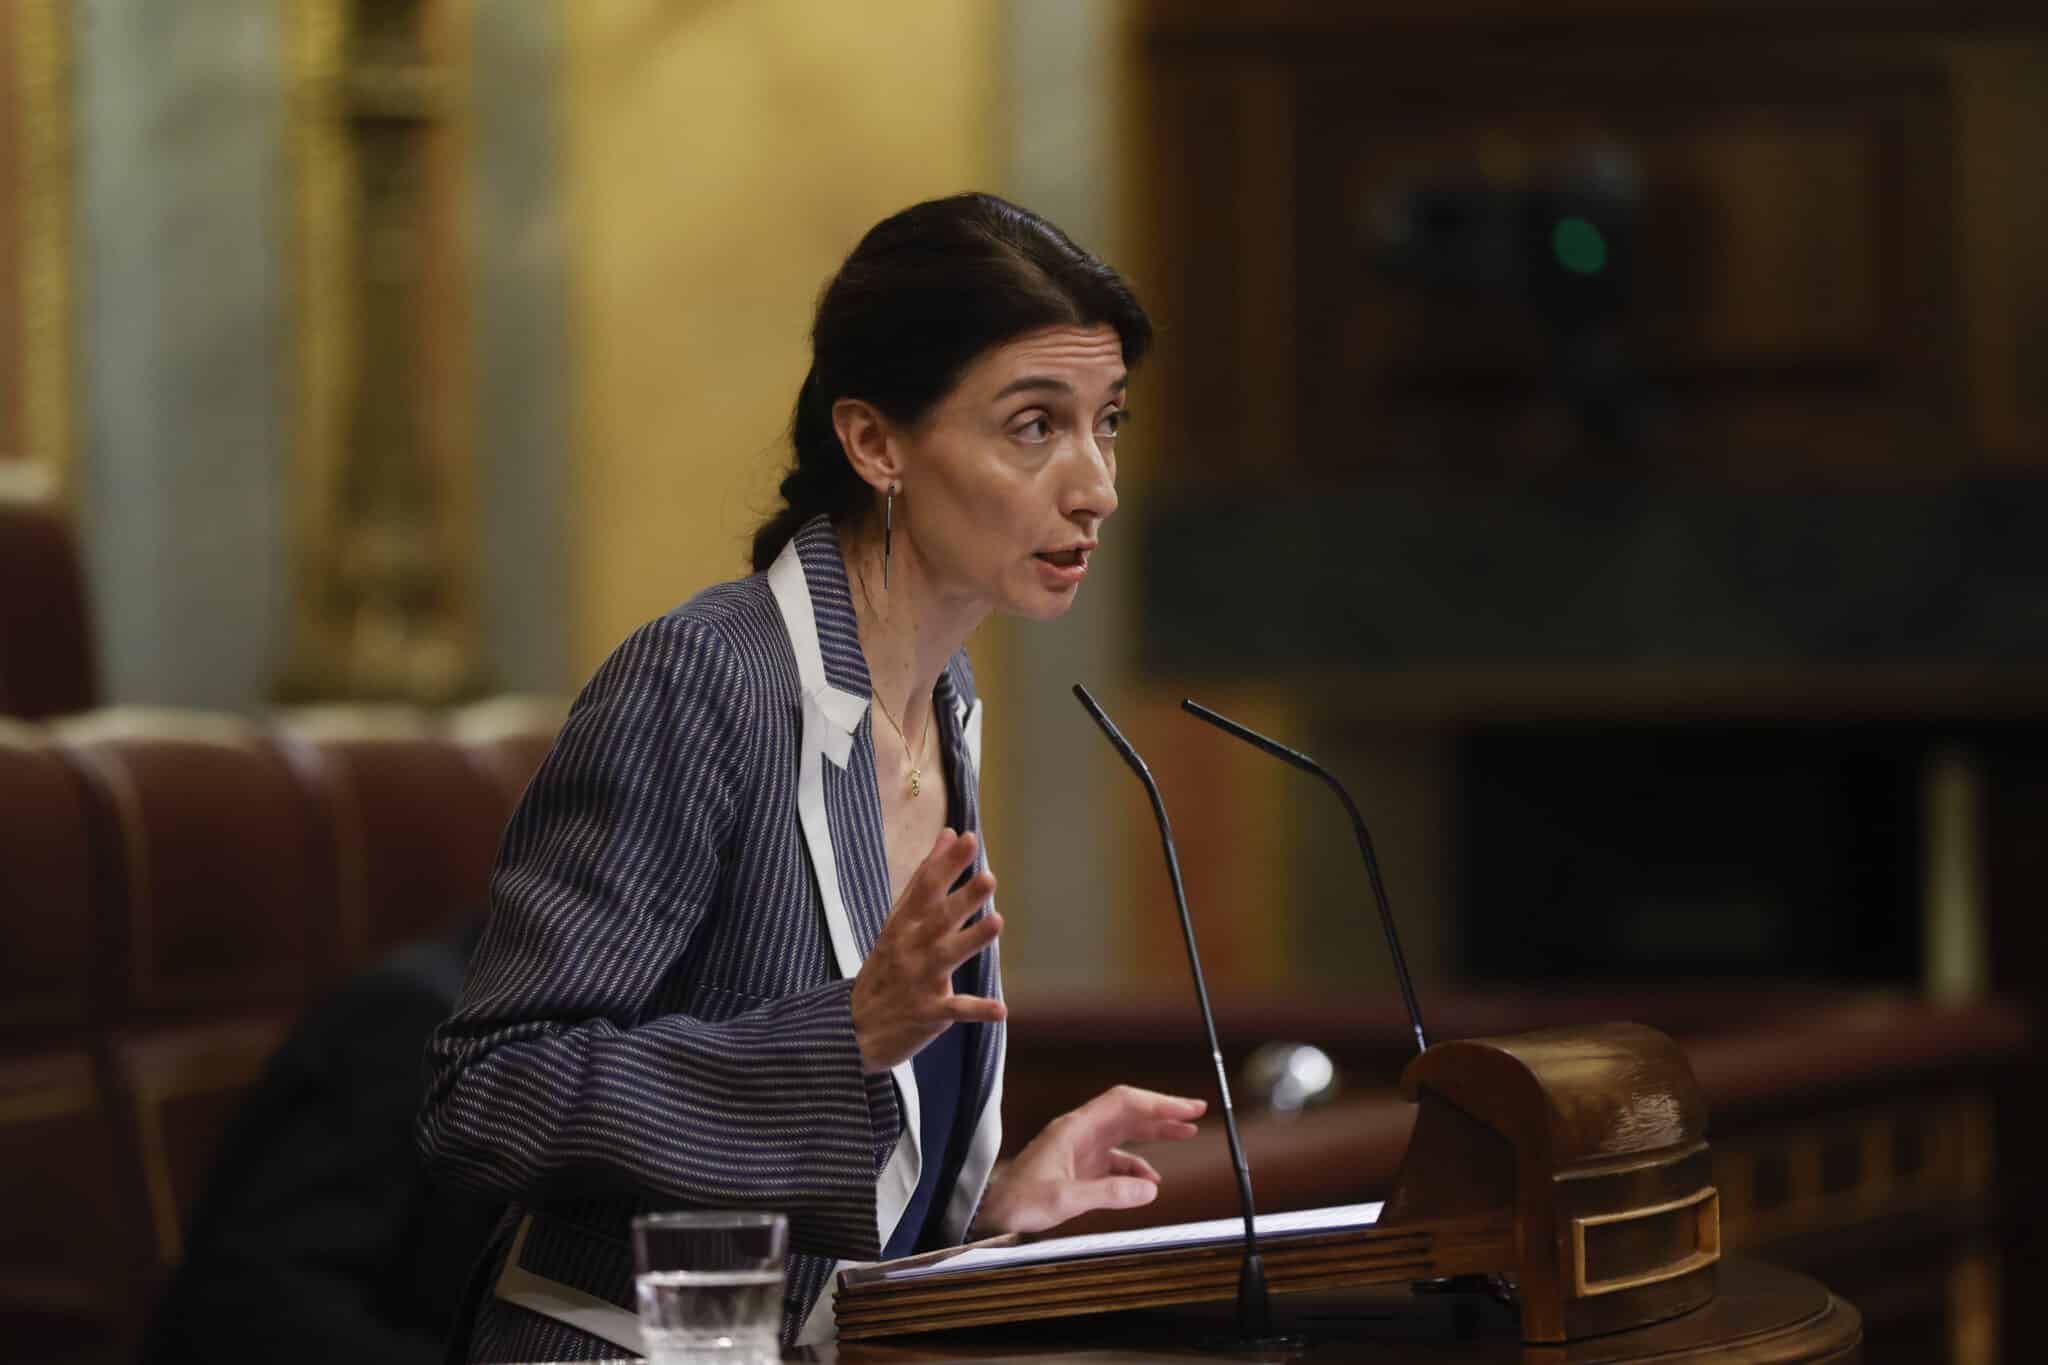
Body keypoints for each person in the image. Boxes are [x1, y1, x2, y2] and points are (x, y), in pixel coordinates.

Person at [417, 192, 1207, 1360]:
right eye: (1034, 426)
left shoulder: (944, 703)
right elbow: (486, 1093)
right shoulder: (706, 680)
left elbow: (826, 1202)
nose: (1094, 485)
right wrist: (839, 1038)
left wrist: (979, 1206)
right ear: (875, 442)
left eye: (1107, 423)